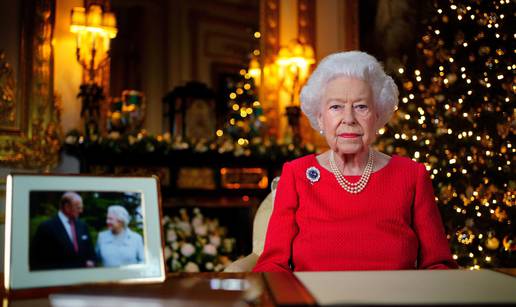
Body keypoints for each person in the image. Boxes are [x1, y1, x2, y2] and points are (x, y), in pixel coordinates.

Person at [253, 51, 458, 272]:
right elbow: (272, 266)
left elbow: (439, 265)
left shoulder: (411, 175)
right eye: (336, 107)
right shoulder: (296, 174)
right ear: (320, 116)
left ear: (378, 115)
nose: (349, 119)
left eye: (361, 106)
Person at [30, 192, 96, 270]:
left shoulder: (82, 226)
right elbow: (36, 259)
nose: (81, 211)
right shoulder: (46, 227)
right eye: (78, 207)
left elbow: (91, 251)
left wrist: (91, 261)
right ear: (67, 207)